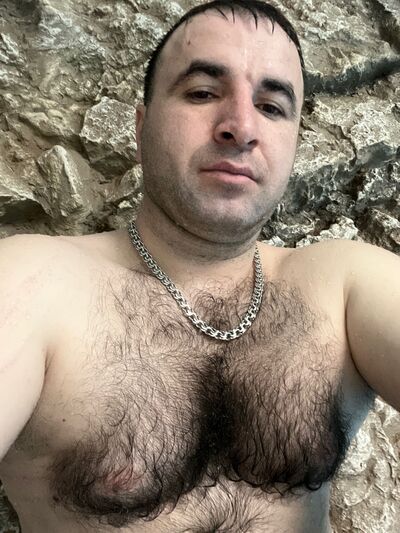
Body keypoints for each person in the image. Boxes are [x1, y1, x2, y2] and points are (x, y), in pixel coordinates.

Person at [0, 0, 399, 531]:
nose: (241, 127)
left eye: (272, 107)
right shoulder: (35, 281)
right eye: (203, 93)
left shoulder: (345, 286)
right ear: (141, 128)